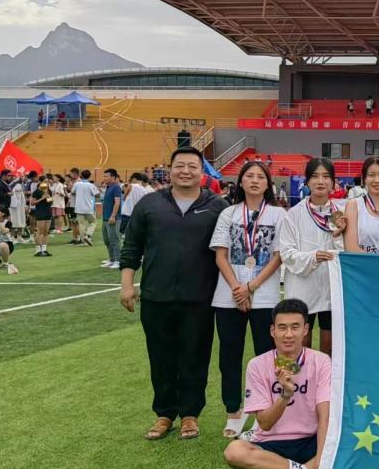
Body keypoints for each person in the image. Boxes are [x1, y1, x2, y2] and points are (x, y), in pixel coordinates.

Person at [120, 146, 229, 441]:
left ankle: (190, 414)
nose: (186, 171)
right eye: (180, 165)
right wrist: (127, 284)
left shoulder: (217, 206)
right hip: (156, 297)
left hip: (201, 298)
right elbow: (131, 247)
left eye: (192, 166)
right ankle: (165, 414)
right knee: (161, 357)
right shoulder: (150, 204)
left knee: (195, 356)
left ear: (202, 172)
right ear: (169, 170)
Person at [223, 299, 331, 469]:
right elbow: (264, 423)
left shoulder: (321, 361)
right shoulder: (257, 365)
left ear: (306, 330)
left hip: (310, 440)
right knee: (234, 452)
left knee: (342, 443)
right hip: (271, 443)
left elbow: (324, 416)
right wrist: (285, 395)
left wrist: (323, 452)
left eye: (295, 327)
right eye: (282, 328)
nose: (288, 334)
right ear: (272, 331)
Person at [211, 161, 286, 439]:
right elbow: (221, 255)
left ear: (268, 184)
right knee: (229, 354)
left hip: (264, 296)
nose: (254, 180)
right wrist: (237, 288)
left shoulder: (278, 214)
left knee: (266, 355)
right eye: (249, 176)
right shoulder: (228, 213)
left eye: (260, 177)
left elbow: (278, 256)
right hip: (228, 295)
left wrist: (251, 287)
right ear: (240, 182)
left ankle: (262, 411)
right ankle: (233, 411)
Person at [279, 158, 346, 355]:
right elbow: (287, 254)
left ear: (333, 182)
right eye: (315, 176)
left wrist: (337, 237)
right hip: (302, 288)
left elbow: (347, 252)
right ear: (307, 181)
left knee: (329, 349)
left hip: (331, 289)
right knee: (301, 346)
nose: (320, 181)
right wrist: (313, 257)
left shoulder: (341, 213)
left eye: (326, 177)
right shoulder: (294, 214)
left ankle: (326, 378)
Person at [100, 169, 123, 269]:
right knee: (107, 240)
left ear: (113, 177)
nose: (104, 178)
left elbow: (117, 202)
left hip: (113, 218)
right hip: (105, 218)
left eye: (106, 176)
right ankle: (112, 259)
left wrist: (113, 216)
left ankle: (118, 260)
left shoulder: (116, 187)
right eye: (104, 176)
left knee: (114, 239)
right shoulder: (108, 187)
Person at [72, 170, 98, 246]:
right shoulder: (91, 185)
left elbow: (72, 192)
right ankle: (88, 235)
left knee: (81, 224)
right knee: (93, 222)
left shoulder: (77, 184)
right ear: (89, 176)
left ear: (81, 175)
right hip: (88, 207)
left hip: (79, 207)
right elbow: (97, 194)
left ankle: (83, 239)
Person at [0, 205, 18, 273]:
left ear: (3, 213)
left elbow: (4, 231)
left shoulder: (8, 223)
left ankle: (5, 263)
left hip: (6, 245)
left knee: (2, 245)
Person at [30, 177, 53, 257]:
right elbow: (32, 203)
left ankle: (44, 249)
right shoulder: (36, 191)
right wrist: (42, 198)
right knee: (39, 231)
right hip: (40, 212)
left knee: (46, 231)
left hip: (48, 212)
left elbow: (50, 202)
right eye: (45, 181)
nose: (47, 183)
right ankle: (38, 250)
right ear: (40, 182)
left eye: (47, 182)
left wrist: (49, 198)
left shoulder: (48, 190)